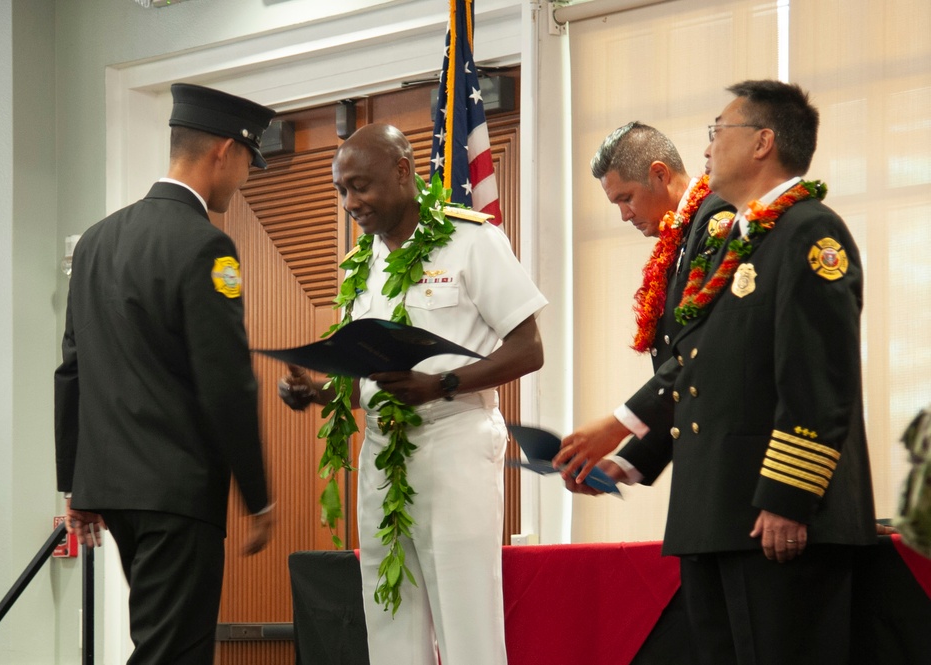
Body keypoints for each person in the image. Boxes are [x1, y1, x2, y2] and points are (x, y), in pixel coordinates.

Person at [576, 80, 876, 664]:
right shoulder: (741, 240)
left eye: (718, 132)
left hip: (777, 521)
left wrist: (789, 497)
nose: (707, 149)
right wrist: (631, 455)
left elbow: (820, 379)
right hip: (724, 515)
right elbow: (702, 370)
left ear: (763, 141)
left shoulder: (810, 232)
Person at [278, 123, 546, 665]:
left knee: (465, 614)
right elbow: (373, 378)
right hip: (382, 452)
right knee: (390, 614)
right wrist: (320, 390)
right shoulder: (365, 261)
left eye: (361, 186)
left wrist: (442, 383)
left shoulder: (470, 239)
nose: (351, 202)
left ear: (403, 172)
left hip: (455, 441)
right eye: (342, 191)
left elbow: (528, 349)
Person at [54, 83, 276, 664]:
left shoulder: (97, 242)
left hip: (113, 489)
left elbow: (73, 367)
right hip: (176, 492)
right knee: (174, 653)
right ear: (224, 152)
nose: (246, 179)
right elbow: (227, 381)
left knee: (160, 643)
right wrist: (257, 496)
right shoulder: (207, 247)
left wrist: (77, 482)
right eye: (250, 162)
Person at [559, 122, 734, 489]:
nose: (624, 214)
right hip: (707, 465)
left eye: (626, 198)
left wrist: (617, 424)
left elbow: (702, 354)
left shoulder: (717, 222)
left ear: (659, 174)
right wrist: (625, 463)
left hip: (731, 463)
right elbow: (684, 383)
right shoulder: (683, 235)